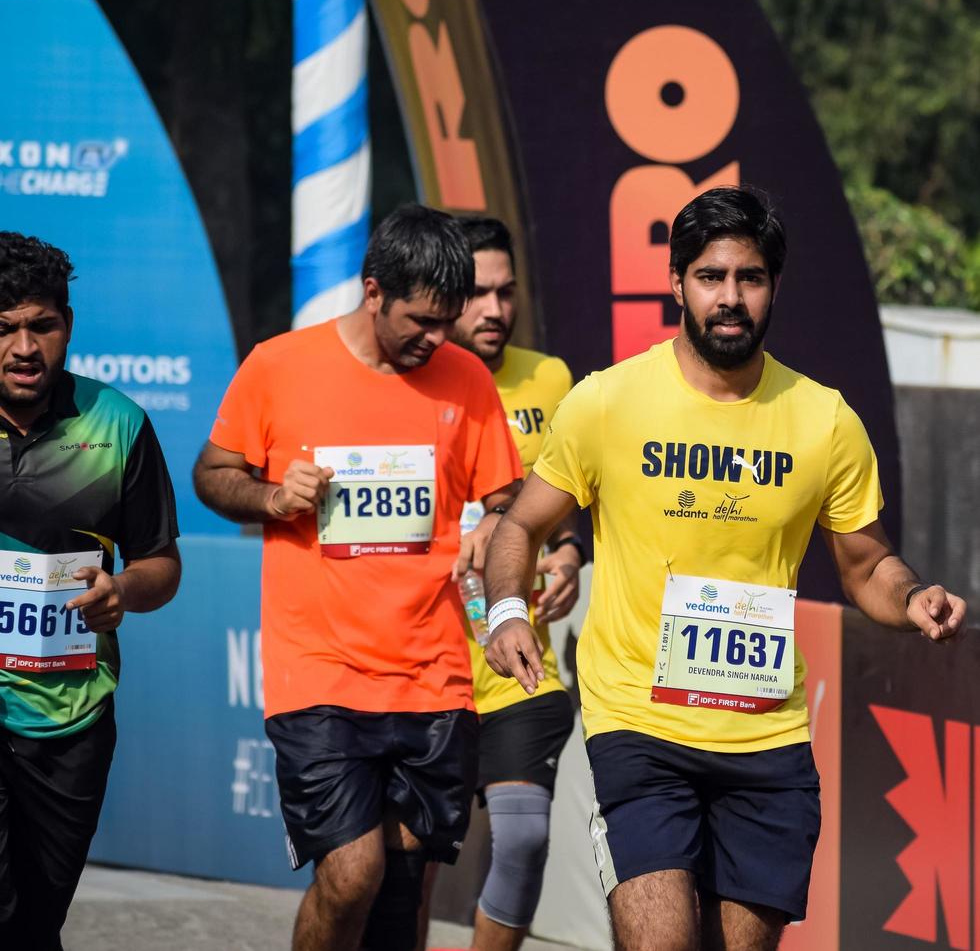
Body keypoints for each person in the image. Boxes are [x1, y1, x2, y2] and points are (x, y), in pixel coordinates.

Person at [481, 186, 967, 951]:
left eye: (750, 278)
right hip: (637, 723)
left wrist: (911, 598)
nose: (730, 298)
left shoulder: (825, 420)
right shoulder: (607, 403)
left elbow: (868, 565)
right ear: (677, 283)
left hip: (764, 736)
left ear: (774, 287)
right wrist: (506, 609)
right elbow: (522, 525)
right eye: (711, 277)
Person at [193, 204, 523, 951]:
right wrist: (272, 496)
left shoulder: (466, 381)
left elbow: (509, 505)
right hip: (319, 671)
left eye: (448, 322)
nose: (435, 339)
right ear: (373, 291)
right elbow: (213, 475)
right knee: (350, 875)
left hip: (434, 675)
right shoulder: (279, 366)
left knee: (401, 896)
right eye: (420, 320)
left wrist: (494, 536)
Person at [0, 232, 181, 950]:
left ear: (67, 328)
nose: (23, 347)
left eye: (41, 325)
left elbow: (162, 565)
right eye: (4, 328)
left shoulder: (119, 425)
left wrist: (123, 592)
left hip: (69, 716)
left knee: (35, 923)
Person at [436, 216, 580, 951]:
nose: (494, 310)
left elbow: (569, 501)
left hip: (518, 661)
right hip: (423, 664)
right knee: (412, 863)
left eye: (506, 292)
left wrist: (567, 554)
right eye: (477, 294)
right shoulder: (410, 384)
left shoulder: (550, 379)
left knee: (523, 840)